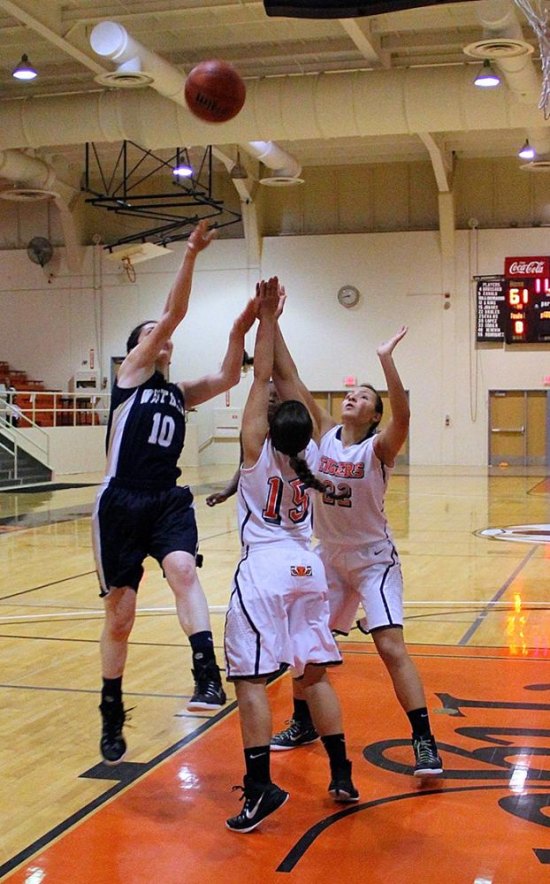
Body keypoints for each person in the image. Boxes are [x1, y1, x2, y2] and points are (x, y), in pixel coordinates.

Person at [92, 220, 257, 765]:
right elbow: (174, 315)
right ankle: (111, 706)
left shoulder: (179, 392)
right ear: (138, 348)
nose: (160, 338)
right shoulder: (133, 378)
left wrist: (242, 326)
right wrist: (189, 254)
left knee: (184, 570)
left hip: (164, 497)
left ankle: (205, 672)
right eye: (150, 334)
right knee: (123, 614)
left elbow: (231, 376)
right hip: (121, 502)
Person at [270, 310, 443, 778]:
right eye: (352, 391)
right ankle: (303, 722)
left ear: (374, 415)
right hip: (326, 555)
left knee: (389, 646)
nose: (352, 396)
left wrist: (385, 360)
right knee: (303, 643)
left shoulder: (379, 449)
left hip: (371, 561)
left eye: (363, 396)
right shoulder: (323, 433)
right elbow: (290, 378)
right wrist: (273, 321)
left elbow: (404, 412)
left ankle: (424, 739)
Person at [224, 277, 358, 834]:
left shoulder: (256, 450)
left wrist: (263, 318)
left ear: (269, 426)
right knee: (315, 679)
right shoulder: (320, 452)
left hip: (266, 570)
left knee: (251, 682)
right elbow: (288, 382)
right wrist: (275, 318)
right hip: (309, 569)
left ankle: (260, 790)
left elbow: (263, 376)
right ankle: (343, 773)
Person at [205, 381, 280, 507]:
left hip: (283, 501)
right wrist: (226, 492)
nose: (271, 399)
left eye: (276, 396)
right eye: (268, 395)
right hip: (257, 502)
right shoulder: (249, 432)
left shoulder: (293, 431)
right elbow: (244, 467)